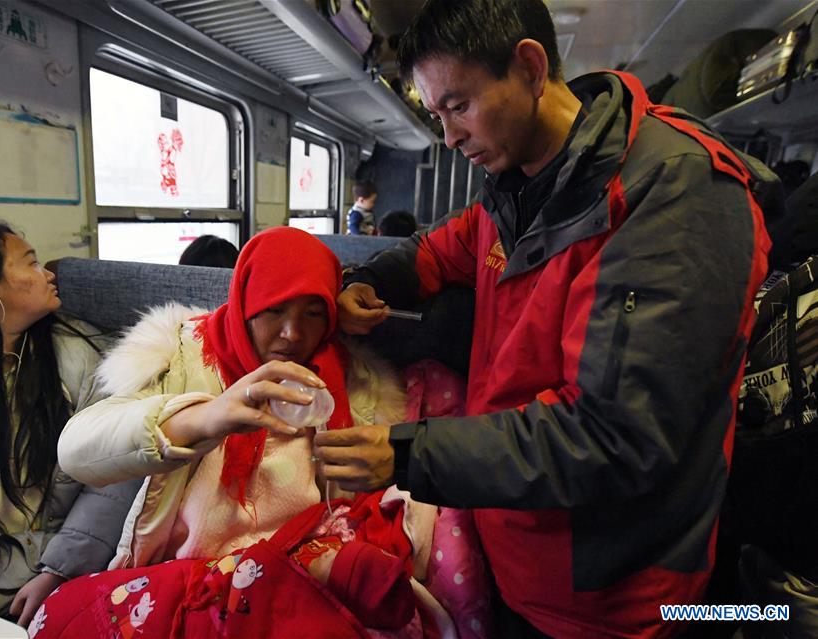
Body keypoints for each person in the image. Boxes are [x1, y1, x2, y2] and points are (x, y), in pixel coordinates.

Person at [315, 1, 781, 637]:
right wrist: (364, 281)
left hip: (615, 596)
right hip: (515, 555)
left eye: (458, 105)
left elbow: (615, 437)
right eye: (434, 114)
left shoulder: (674, 195)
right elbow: (434, 252)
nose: (448, 137)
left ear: (530, 67)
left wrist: (406, 455)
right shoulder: (519, 184)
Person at [48, 227, 442, 637]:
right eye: (274, 309)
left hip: (291, 582)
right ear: (246, 301)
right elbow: (76, 451)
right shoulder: (182, 358)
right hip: (188, 581)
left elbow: (355, 507)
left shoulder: (352, 385)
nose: (292, 333)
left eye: (312, 313)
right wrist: (206, 417)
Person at [0, 223, 139, 626]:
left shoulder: (84, 359)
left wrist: (57, 572)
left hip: (60, 571)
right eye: (32, 264)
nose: (49, 274)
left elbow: (112, 477)